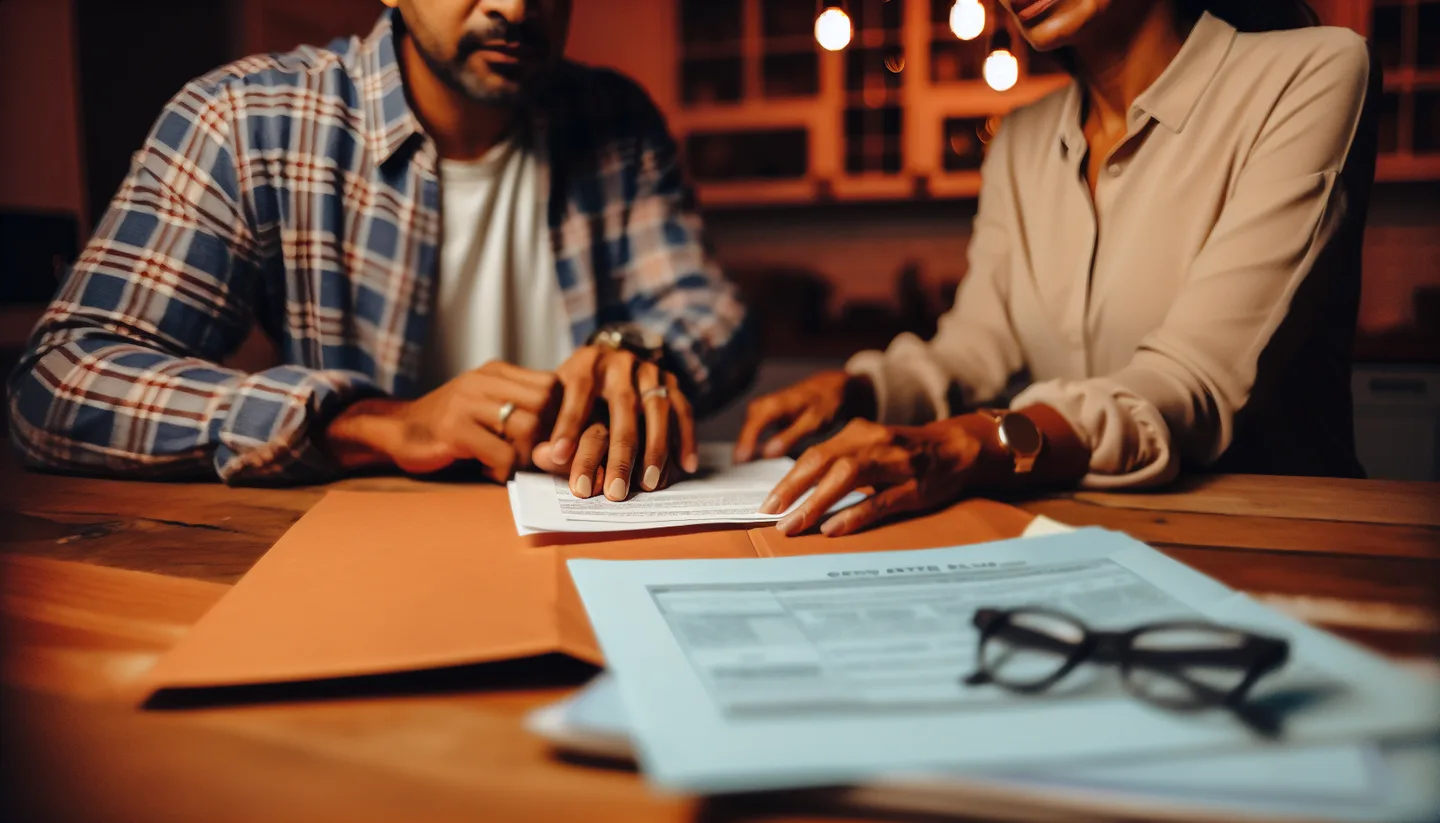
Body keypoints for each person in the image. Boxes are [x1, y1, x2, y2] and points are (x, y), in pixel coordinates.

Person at [6, 0, 754, 499]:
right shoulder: (248, 120)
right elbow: (58, 383)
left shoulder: (615, 116)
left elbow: (711, 311)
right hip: (353, 559)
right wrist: (376, 425)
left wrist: (639, 352)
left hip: (594, 533)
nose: (516, 6)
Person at [739, 0, 1375, 537]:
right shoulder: (1021, 141)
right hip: (1076, 535)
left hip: (1274, 537)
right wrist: (860, 390)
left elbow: (1192, 383)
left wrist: (976, 443)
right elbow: (977, 346)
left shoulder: (1313, 72)